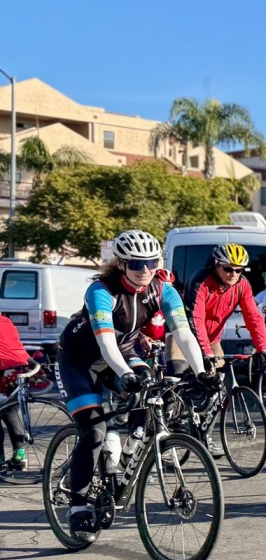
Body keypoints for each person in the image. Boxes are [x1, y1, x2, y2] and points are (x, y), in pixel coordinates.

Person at [58, 230, 209, 542]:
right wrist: (125, 375)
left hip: (122, 354)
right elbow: (106, 343)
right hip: (80, 360)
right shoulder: (102, 291)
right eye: (137, 264)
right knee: (93, 431)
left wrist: (202, 371)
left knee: (153, 395)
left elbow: (182, 333)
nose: (145, 270)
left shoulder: (163, 290)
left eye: (151, 262)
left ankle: (124, 454)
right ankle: (77, 507)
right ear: (123, 264)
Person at [189, 242, 266, 373]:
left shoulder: (242, 285)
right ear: (217, 265)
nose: (234, 274)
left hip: (212, 340)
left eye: (238, 270)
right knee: (177, 373)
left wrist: (263, 348)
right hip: (185, 337)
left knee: (220, 381)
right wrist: (205, 351)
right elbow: (196, 318)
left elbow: (253, 317)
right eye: (228, 269)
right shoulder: (201, 281)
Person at [0, 314, 37, 471]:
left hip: (4, 369)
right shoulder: (5, 320)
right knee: (10, 413)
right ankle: (20, 459)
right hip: (22, 368)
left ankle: (0, 461)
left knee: (7, 413)